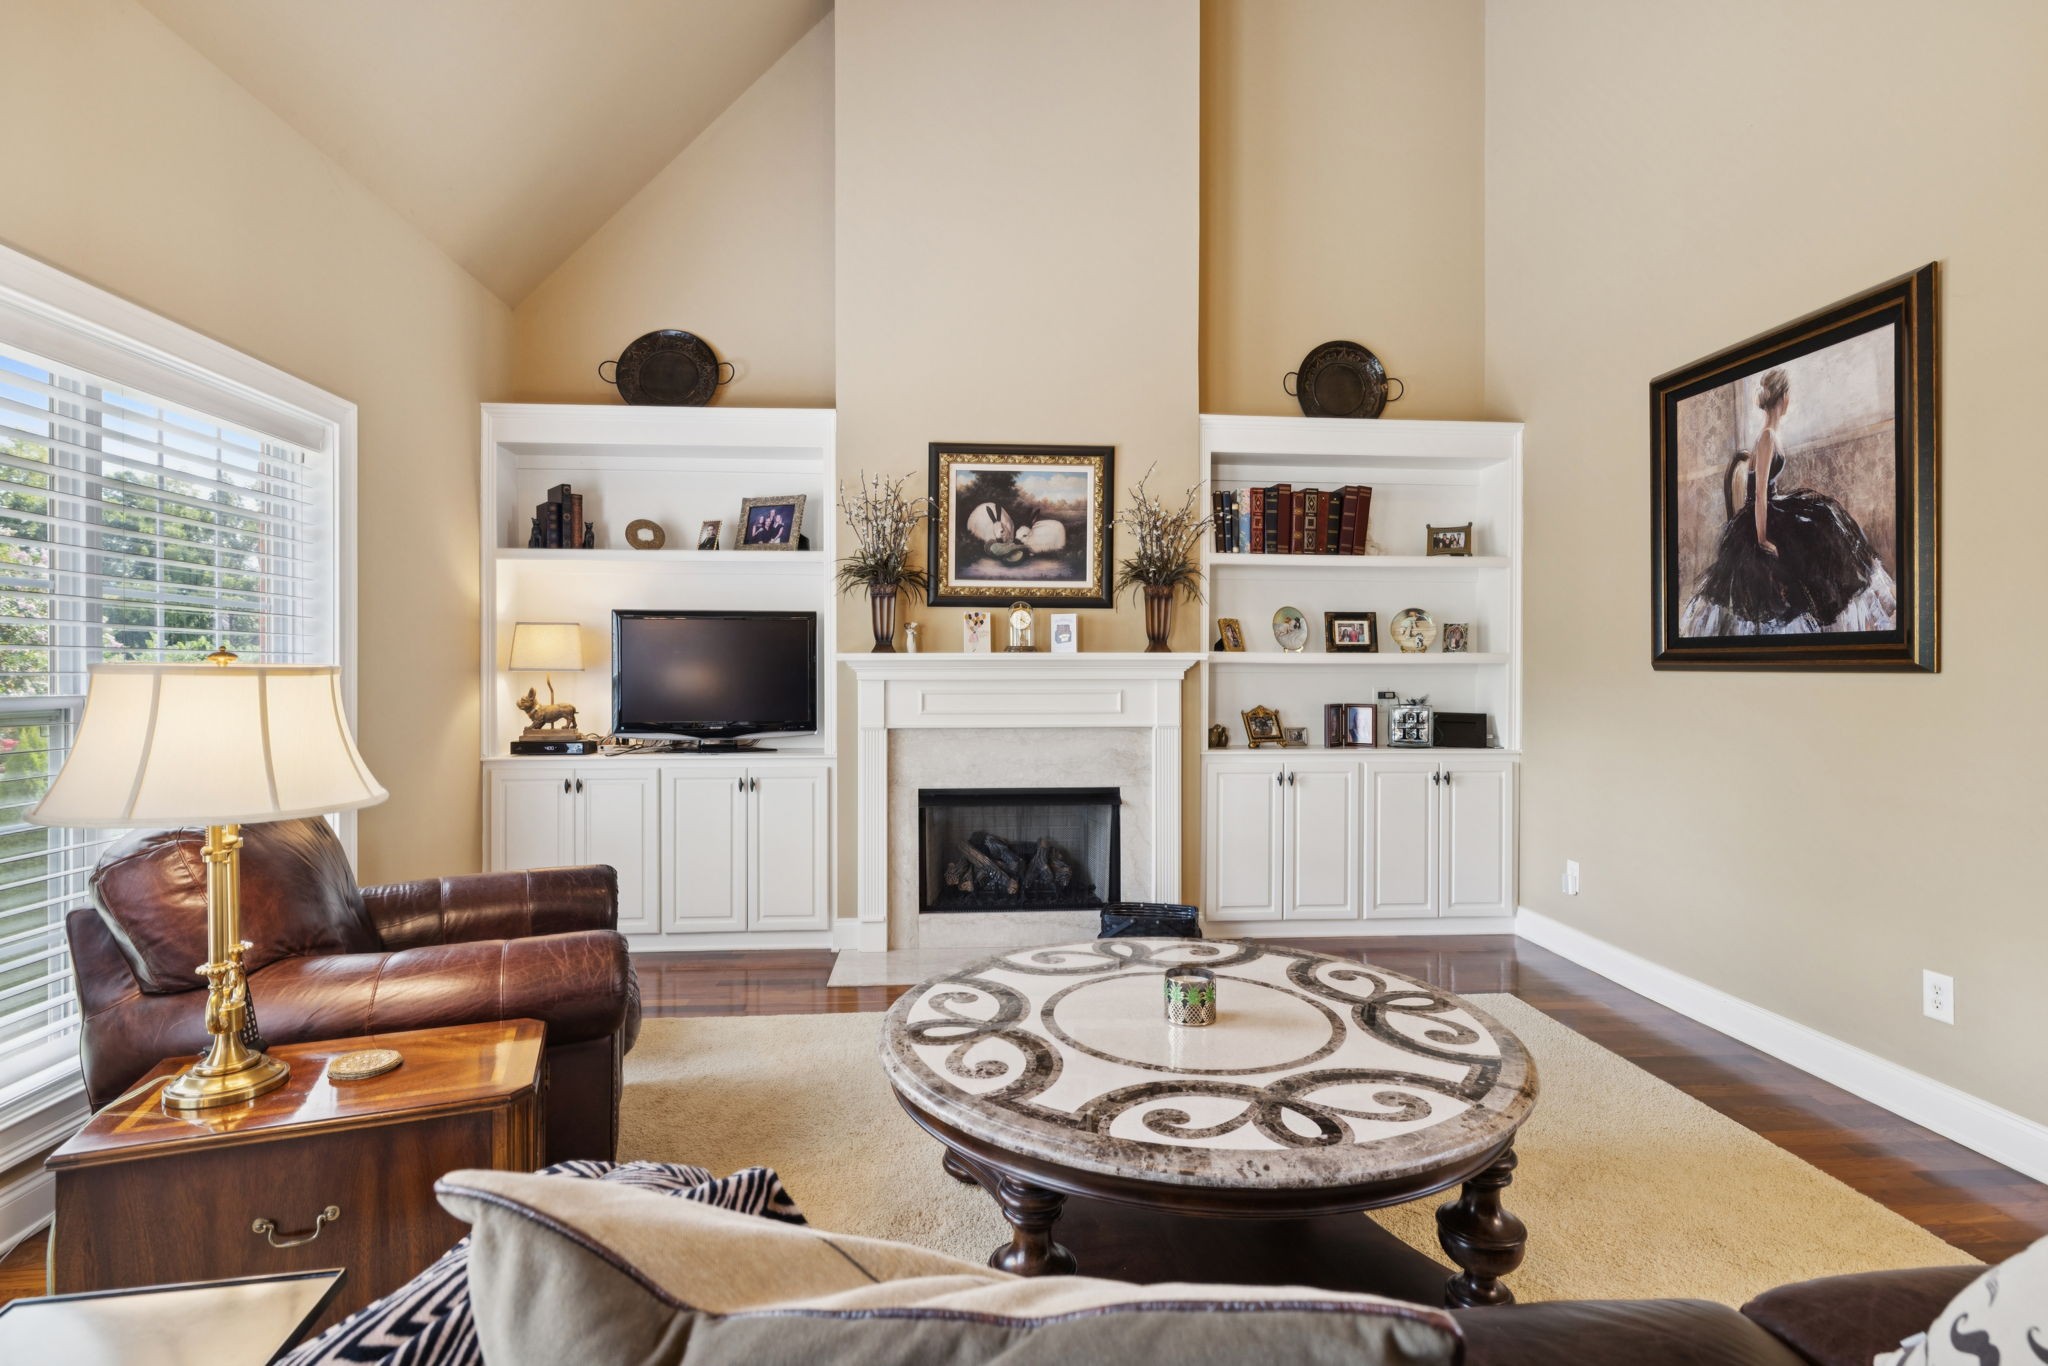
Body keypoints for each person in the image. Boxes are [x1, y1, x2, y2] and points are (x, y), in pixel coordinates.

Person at [1681, 367, 1897, 636]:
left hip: (1772, 507)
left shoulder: (1772, 435)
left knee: (1825, 516)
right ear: (1783, 398)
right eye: (1788, 395)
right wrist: (1762, 540)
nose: (1789, 401)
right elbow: (1759, 494)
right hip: (1760, 516)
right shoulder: (1767, 437)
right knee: (1820, 524)